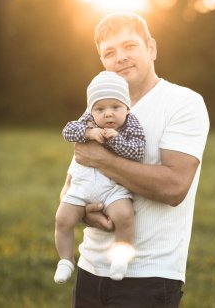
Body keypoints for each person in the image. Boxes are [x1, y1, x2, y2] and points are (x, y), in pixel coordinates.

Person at [60, 12, 210, 308]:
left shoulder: (183, 103)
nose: (121, 58)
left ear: (151, 48)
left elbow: (174, 188)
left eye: (130, 46)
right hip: (89, 268)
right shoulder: (100, 110)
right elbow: (70, 185)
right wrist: (85, 211)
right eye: (110, 52)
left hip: (149, 277)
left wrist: (102, 160)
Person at [54, 71, 146, 283]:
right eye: (100, 109)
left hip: (112, 186)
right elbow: (67, 131)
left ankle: (120, 258)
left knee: (124, 215)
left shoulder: (131, 125)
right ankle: (66, 260)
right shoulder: (88, 120)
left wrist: (117, 140)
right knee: (62, 219)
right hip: (83, 184)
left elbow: (138, 151)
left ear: (127, 108)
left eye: (115, 107)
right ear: (91, 110)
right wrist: (88, 133)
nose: (108, 114)